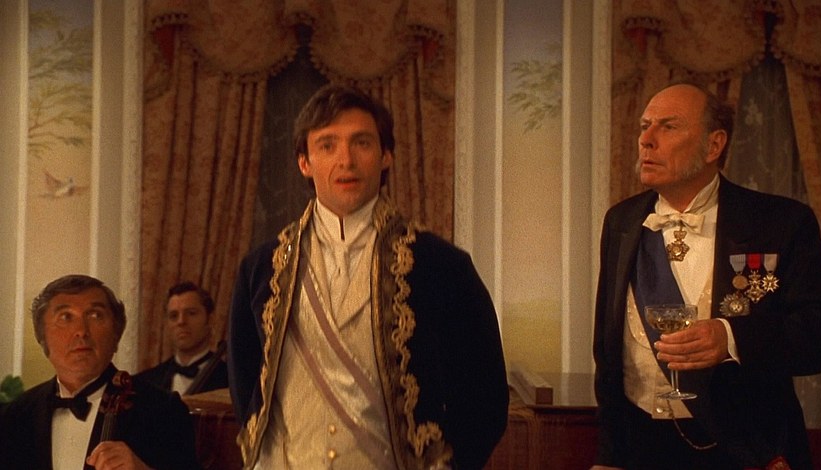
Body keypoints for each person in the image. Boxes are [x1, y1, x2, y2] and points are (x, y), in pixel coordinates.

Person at [227, 84, 508, 469]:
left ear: (385, 155)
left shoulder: (443, 267)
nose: (346, 160)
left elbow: (484, 398)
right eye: (327, 145)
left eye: (361, 143)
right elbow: (246, 389)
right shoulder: (261, 269)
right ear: (304, 162)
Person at [591, 82, 821, 470]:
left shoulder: (781, 223)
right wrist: (609, 456)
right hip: (640, 449)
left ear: (713, 145)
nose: (646, 140)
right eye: (644, 126)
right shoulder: (621, 221)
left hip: (744, 449)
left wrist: (731, 338)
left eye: (668, 126)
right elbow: (608, 351)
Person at [0, 274, 201, 470]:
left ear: (116, 336)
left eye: (95, 315)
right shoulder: (15, 416)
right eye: (66, 317)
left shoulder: (164, 410)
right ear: (42, 338)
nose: (81, 331)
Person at [135, 281, 228, 396]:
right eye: (174, 316)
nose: (181, 321)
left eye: (191, 313)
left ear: (210, 320)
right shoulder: (145, 382)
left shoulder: (231, 380)